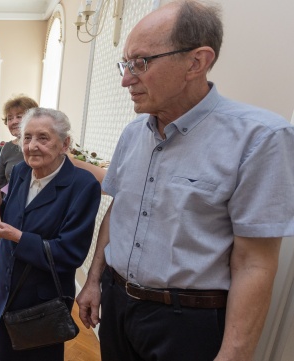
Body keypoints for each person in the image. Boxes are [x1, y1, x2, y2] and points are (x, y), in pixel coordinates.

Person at [76, 1, 294, 360]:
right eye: (126, 63)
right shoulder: (133, 133)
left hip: (187, 324)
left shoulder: (261, 139)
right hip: (117, 307)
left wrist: (234, 354)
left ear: (197, 62)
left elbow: (254, 263)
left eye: (140, 63)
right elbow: (120, 211)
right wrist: (95, 280)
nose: (126, 79)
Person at [0, 107, 101, 360]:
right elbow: (12, 215)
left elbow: (70, 253)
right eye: (27, 137)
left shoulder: (82, 186)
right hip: (3, 292)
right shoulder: (21, 171)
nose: (32, 146)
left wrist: (18, 238)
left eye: (43, 138)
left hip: (41, 306)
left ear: (65, 143)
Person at [0, 95, 38, 190]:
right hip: (10, 202)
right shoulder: (7, 147)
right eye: (10, 118)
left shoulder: (41, 146)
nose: (14, 121)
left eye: (19, 117)